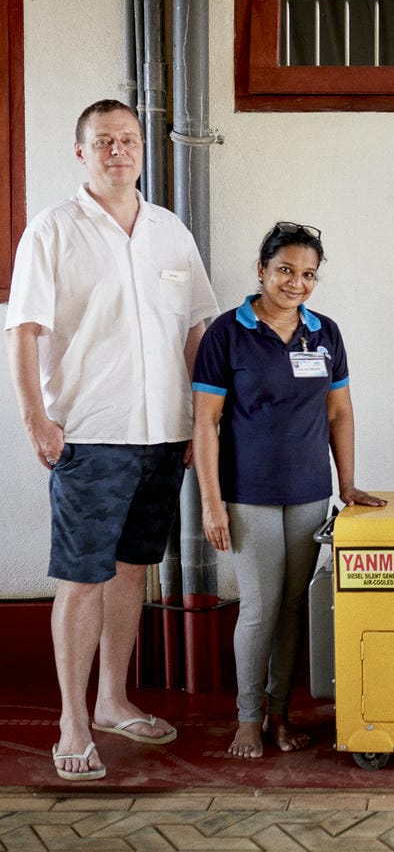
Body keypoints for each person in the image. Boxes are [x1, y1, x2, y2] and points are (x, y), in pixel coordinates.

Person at [5, 99, 219, 782]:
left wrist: (198, 415)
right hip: (90, 436)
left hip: (163, 436)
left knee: (132, 570)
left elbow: (196, 328)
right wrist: (36, 418)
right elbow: (25, 328)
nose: (118, 151)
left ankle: (113, 700)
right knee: (81, 580)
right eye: (104, 142)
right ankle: (72, 721)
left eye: (127, 140)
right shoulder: (53, 230)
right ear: (81, 152)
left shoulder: (169, 231)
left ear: (141, 150)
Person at [192, 222, 385, 759]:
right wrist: (211, 503)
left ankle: (280, 714)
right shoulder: (227, 333)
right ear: (261, 270)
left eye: (307, 274)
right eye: (284, 270)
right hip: (248, 493)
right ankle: (248, 719)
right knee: (260, 606)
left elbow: (339, 411)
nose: (295, 283)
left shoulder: (325, 334)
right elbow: (205, 423)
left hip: (308, 491)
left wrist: (347, 485)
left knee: (294, 606)